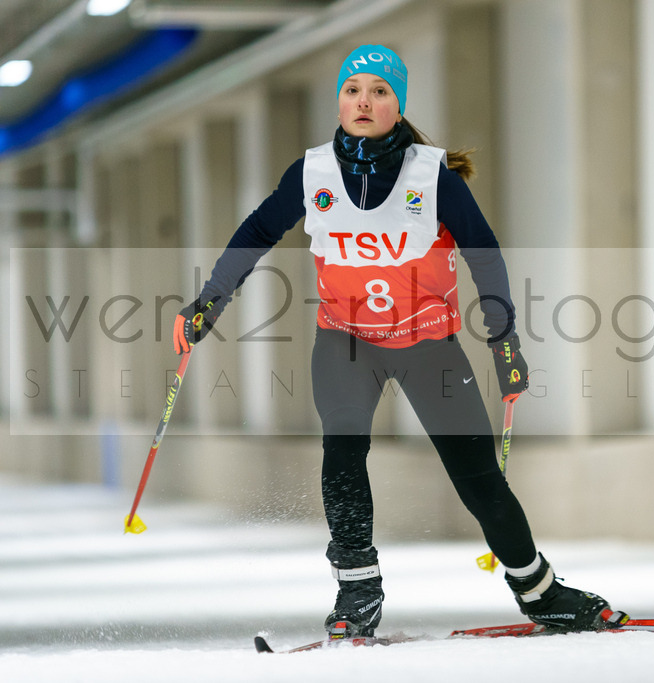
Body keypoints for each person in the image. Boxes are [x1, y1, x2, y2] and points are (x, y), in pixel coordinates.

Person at [172, 44, 617, 638]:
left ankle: (540, 592)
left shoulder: (431, 175)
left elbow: (483, 253)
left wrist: (504, 339)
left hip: (428, 345)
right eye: (354, 89)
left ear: (397, 105)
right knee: (343, 453)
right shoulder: (312, 173)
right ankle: (357, 589)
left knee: (478, 477)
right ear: (339, 99)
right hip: (346, 341)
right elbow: (256, 231)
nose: (364, 101)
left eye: (380, 91)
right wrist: (210, 301)